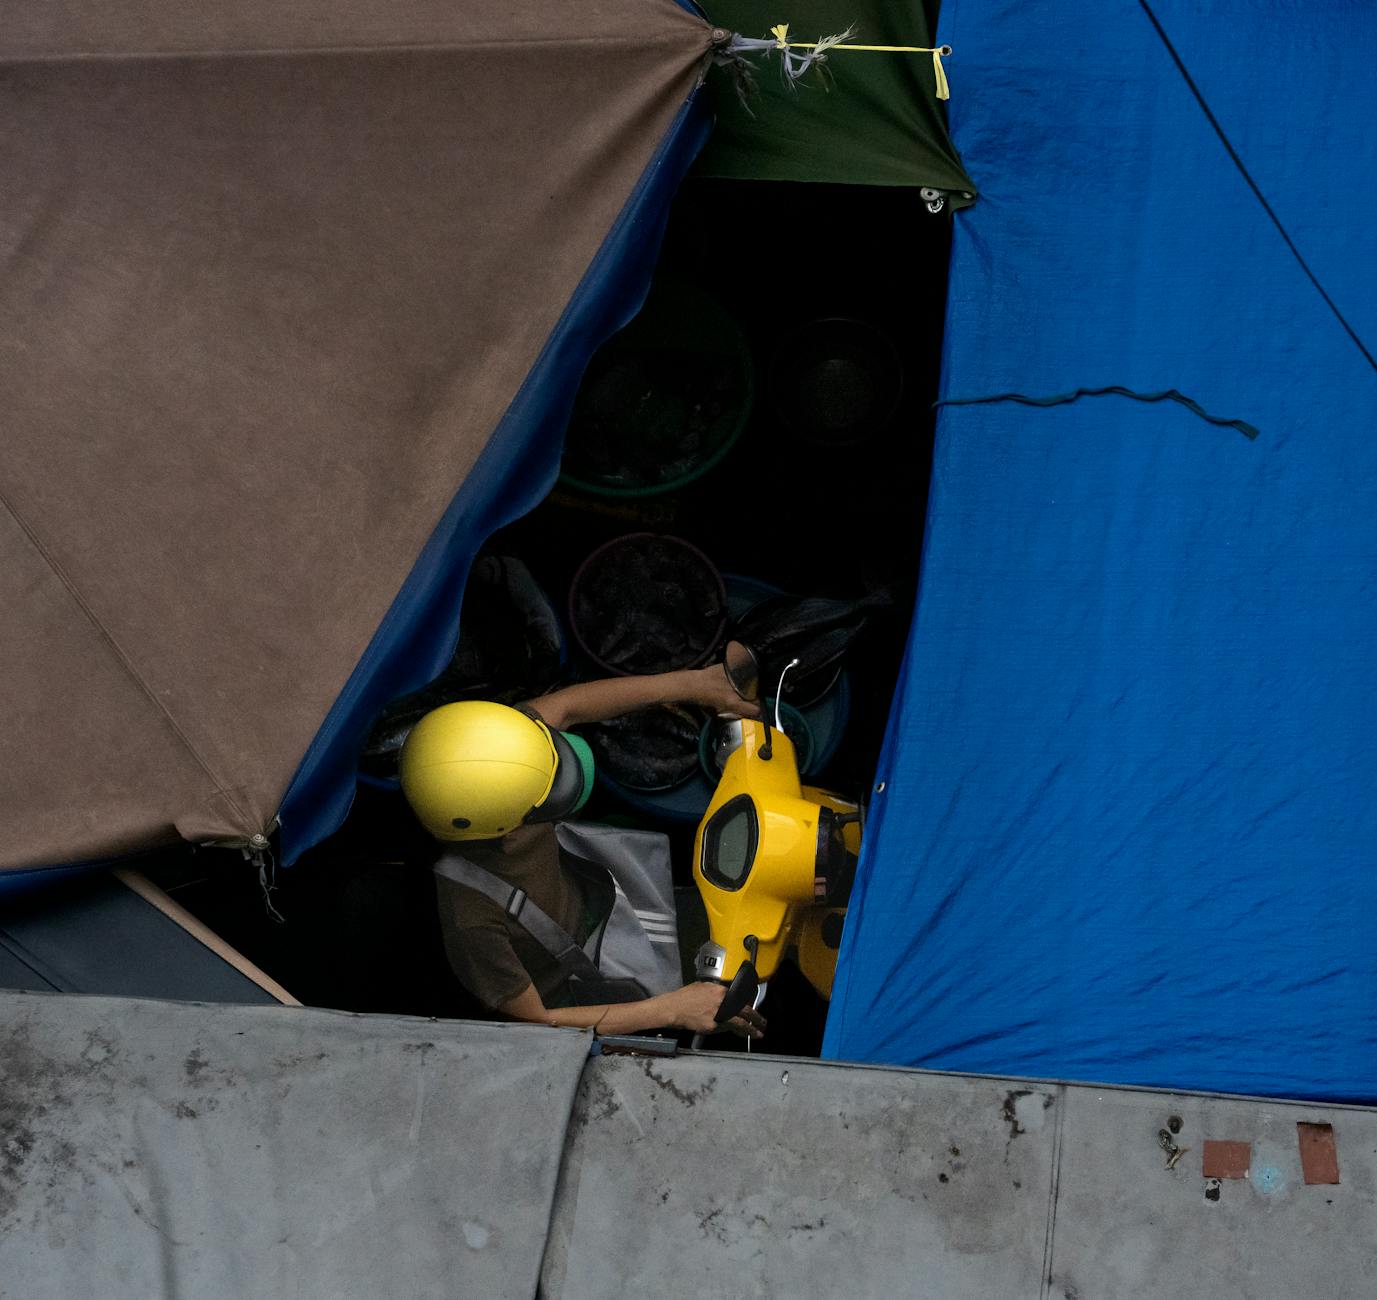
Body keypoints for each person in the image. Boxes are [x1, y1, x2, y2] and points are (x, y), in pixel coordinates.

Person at [399, 662, 766, 1040]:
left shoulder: (499, 747)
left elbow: (571, 705)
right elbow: (535, 1019)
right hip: (584, 988)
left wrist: (695, 683)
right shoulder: (471, 918)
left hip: (597, 894)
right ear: (505, 826)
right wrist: (672, 1010)